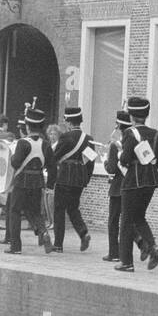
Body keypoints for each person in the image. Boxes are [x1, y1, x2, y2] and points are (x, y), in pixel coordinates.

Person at [116, 95, 158, 272]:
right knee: (139, 217)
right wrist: (149, 167)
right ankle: (152, 246)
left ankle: (126, 262)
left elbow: (124, 159)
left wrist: (123, 157)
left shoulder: (130, 133)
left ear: (131, 116)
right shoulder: (156, 134)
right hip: (151, 180)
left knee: (126, 221)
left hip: (133, 181)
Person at [5, 106, 56, 254]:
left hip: (21, 181)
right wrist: (50, 185)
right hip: (37, 182)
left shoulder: (22, 143)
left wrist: (11, 155)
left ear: (27, 126)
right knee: (35, 212)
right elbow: (52, 167)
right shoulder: (46, 144)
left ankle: (15, 247)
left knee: (14, 211)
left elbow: (15, 163)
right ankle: (43, 232)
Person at [103, 109, 147, 263]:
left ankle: (114, 253)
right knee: (128, 220)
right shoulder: (135, 141)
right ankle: (141, 242)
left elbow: (112, 169)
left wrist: (105, 161)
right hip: (133, 185)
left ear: (119, 126)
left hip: (118, 188)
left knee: (114, 221)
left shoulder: (117, 145)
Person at [50, 105, 95, 252]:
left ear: (69, 122)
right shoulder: (88, 139)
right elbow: (91, 161)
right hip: (79, 179)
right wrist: (86, 179)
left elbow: (54, 157)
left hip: (64, 177)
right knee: (73, 208)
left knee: (59, 209)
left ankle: (58, 244)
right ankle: (83, 233)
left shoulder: (65, 137)